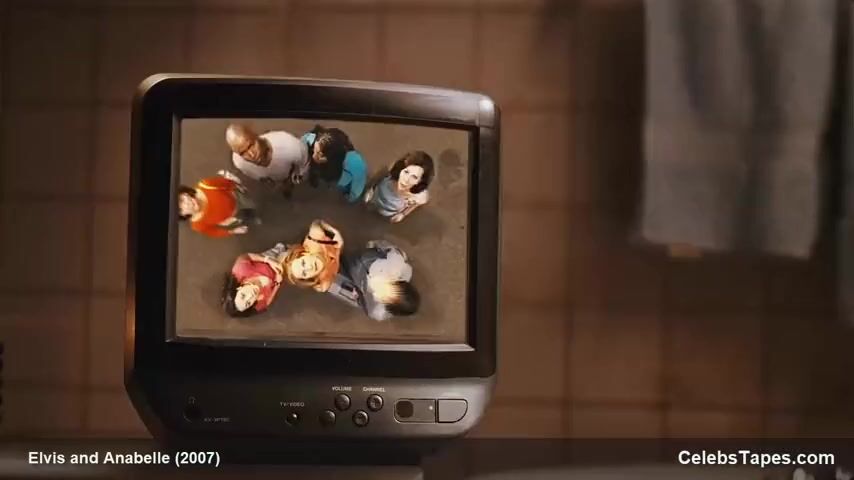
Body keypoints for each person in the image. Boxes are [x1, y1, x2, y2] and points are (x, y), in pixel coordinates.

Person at [328, 240, 420, 321]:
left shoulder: (376, 310)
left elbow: (349, 295)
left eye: (386, 296)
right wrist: (374, 244)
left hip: (354, 275)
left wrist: (331, 284)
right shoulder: (398, 266)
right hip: (362, 260)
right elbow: (387, 247)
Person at [226, 123, 310, 198]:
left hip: (290, 173)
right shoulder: (239, 162)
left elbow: (305, 164)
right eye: (243, 153)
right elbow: (254, 174)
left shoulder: (291, 146)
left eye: (251, 145)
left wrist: (297, 179)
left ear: (256, 136)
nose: (251, 154)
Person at [177, 170, 258, 238]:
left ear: (185, 193)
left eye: (181, 200)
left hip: (237, 198)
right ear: (183, 215)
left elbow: (224, 183)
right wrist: (232, 231)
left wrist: (236, 185)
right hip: (233, 216)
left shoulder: (206, 185)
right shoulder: (197, 225)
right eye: (180, 209)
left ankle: (254, 208)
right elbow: (213, 232)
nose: (187, 204)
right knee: (245, 217)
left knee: (251, 202)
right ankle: (252, 217)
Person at [301, 125, 367, 203]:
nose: (313, 155)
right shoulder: (312, 138)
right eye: (315, 150)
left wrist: (350, 197)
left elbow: (356, 189)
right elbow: (302, 143)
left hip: (336, 179)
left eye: (319, 154)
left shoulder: (355, 163)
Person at [364, 151, 434, 223]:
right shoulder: (390, 172)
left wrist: (403, 214)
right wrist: (371, 190)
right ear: (401, 169)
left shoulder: (420, 196)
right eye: (406, 172)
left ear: (420, 181)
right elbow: (379, 176)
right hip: (374, 199)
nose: (406, 180)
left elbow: (417, 204)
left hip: (387, 212)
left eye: (414, 177)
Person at [221, 243, 288, 317]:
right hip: (278, 274)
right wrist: (277, 283)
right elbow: (267, 302)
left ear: (238, 288)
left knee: (278, 250)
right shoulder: (259, 303)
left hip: (266, 260)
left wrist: (268, 260)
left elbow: (247, 256)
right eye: (248, 303)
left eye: (243, 295)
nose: (250, 296)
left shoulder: (240, 270)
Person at [282, 219, 344, 293]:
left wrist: (335, 232)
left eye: (303, 263)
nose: (309, 268)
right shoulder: (323, 284)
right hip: (339, 267)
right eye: (304, 273)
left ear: (304, 254)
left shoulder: (314, 241)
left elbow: (317, 223)